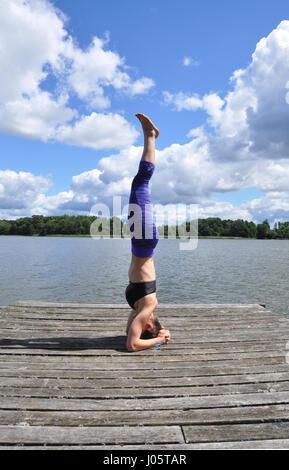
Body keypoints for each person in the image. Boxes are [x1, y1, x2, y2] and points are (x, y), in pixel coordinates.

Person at [125, 113, 171, 352]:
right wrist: (159, 340)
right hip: (144, 241)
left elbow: (131, 338)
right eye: (139, 326)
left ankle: (150, 136)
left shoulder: (140, 311)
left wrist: (160, 333)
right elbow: (132, 345)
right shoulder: (146, 309)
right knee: (141, 182)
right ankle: (151, 136)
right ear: (147, 325)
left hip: (140, 242)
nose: (133, 325)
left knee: (138, 184)